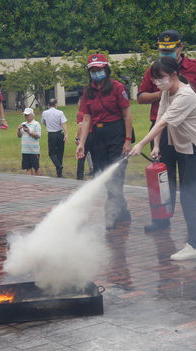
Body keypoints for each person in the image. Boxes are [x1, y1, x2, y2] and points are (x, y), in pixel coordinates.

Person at [130, 57, 196, 261]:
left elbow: (163, 124)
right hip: (189, 149)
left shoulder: (185, 95)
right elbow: (160, 118)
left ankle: (193, 245)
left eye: (161, 78)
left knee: (188, 195)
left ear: (173, 75)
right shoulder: (167, 93)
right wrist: (158, 146)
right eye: (155, 79)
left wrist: (141, 143)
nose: (158, 83)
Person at [138, 29, 196, 232]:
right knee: (163, 177)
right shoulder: (156, 70)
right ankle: (162, 219)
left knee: (191, 181)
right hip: (160, 130)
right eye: (162, 49)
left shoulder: (195, 67)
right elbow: (142, 97)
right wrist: (162, 92)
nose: (165, 53)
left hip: (188, 133)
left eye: (170, 49)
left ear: (180, 48)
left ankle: (195, 224)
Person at [76, 53, 133, 229]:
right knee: (104, 174)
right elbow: (86, 119)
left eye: (99, 69)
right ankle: (122, 210)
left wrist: (127, 140)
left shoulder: (117, 87)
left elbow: (127, 115)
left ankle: (111, 214)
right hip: (97, 137)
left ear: (106, 69)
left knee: (116, 174)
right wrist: (81, 143)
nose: (96, 73)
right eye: (93, 70)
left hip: (116, 132)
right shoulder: (88, 92)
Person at [41, 98, 69, 177]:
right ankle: (59, 173)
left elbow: (43, 122)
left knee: (52, 153)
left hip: (51, 134)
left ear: (48, 105)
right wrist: (66, 134)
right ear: (56, 104)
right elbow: (63, 123)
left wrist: (48, 126)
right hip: (60, 133)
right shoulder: (60, 112)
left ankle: (58, 165)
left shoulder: (45, 113)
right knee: (60, 153)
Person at [17, 107, 41, 175]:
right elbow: (19, 135)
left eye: (27, 115)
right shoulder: (23, 124)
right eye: (25, 115)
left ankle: (39, 182)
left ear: (32, 115)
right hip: (25, 150)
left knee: (36, 167)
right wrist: (19, 129)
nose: (26, 116)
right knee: (27, 168)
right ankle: (29, 183)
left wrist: (29, 132)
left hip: (34, 150)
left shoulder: (36, 124)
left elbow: (38, 135)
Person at [75, 97, 94, 180]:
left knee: (81, 156)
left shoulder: (80, 113)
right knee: (95, 155)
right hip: (94, 135)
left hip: (85, 136)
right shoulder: (92, 111)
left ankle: (79, 176)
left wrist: (77, 138)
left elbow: (80, 126)